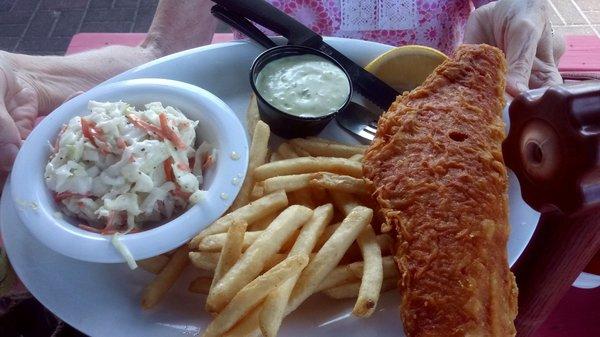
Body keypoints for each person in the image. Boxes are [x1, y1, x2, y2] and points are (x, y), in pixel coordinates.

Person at [0, 0, 563, 333]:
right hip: (294, 108)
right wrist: (30, 77)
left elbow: (512, 14)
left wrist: (521, 13)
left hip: (438, 88)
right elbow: (159, 59)